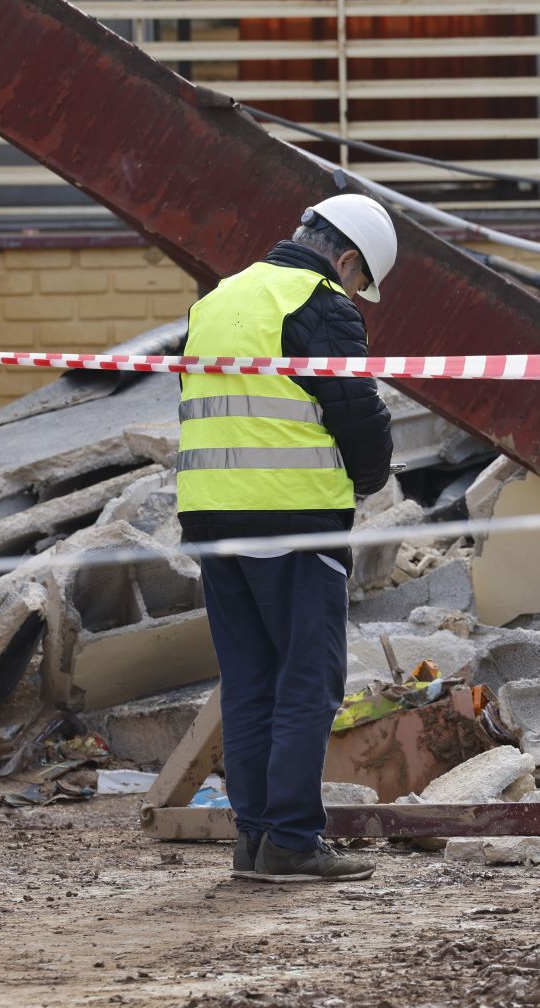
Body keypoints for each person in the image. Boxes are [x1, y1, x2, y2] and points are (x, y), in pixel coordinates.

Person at [175, 193, 397, 884]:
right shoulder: (320, 302)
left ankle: (257, 839)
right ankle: (295, 841)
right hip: (293, 519)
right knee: (307, 679)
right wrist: (366, 478)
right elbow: (356, 414)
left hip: (213, 519)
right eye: (360, 281)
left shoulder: (219, 298)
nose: (355, 293)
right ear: (348, 259)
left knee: (249, 681)